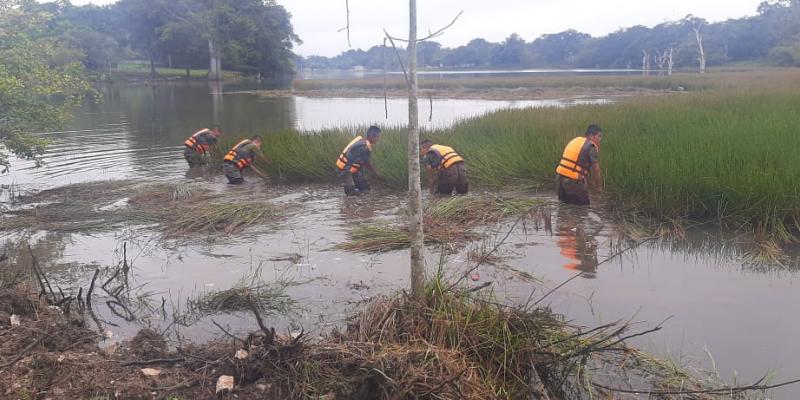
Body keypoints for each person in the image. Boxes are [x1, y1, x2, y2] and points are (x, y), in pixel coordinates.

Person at [555, 124, 604, 205]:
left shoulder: (576, 140)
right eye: (599, 136)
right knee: (584, 209)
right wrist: (599, 188)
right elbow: (597, 171)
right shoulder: (591, 147)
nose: (600, 139)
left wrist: (589, 183)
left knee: (564, 207)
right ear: (591, 136)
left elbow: (579, 166)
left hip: (559, 179)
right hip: (572, 182)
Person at [335, 126, 385, 196]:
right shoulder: (365, 147)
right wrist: (377, 174)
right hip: (345, 170)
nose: (378, 139)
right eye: (378, 137)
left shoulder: (361, 140)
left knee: (365, 188)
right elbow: (368, 164)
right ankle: (351, 204)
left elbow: (361, 162)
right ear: (372, 136)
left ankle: (361, 204)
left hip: (352, 170)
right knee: (351, 193)